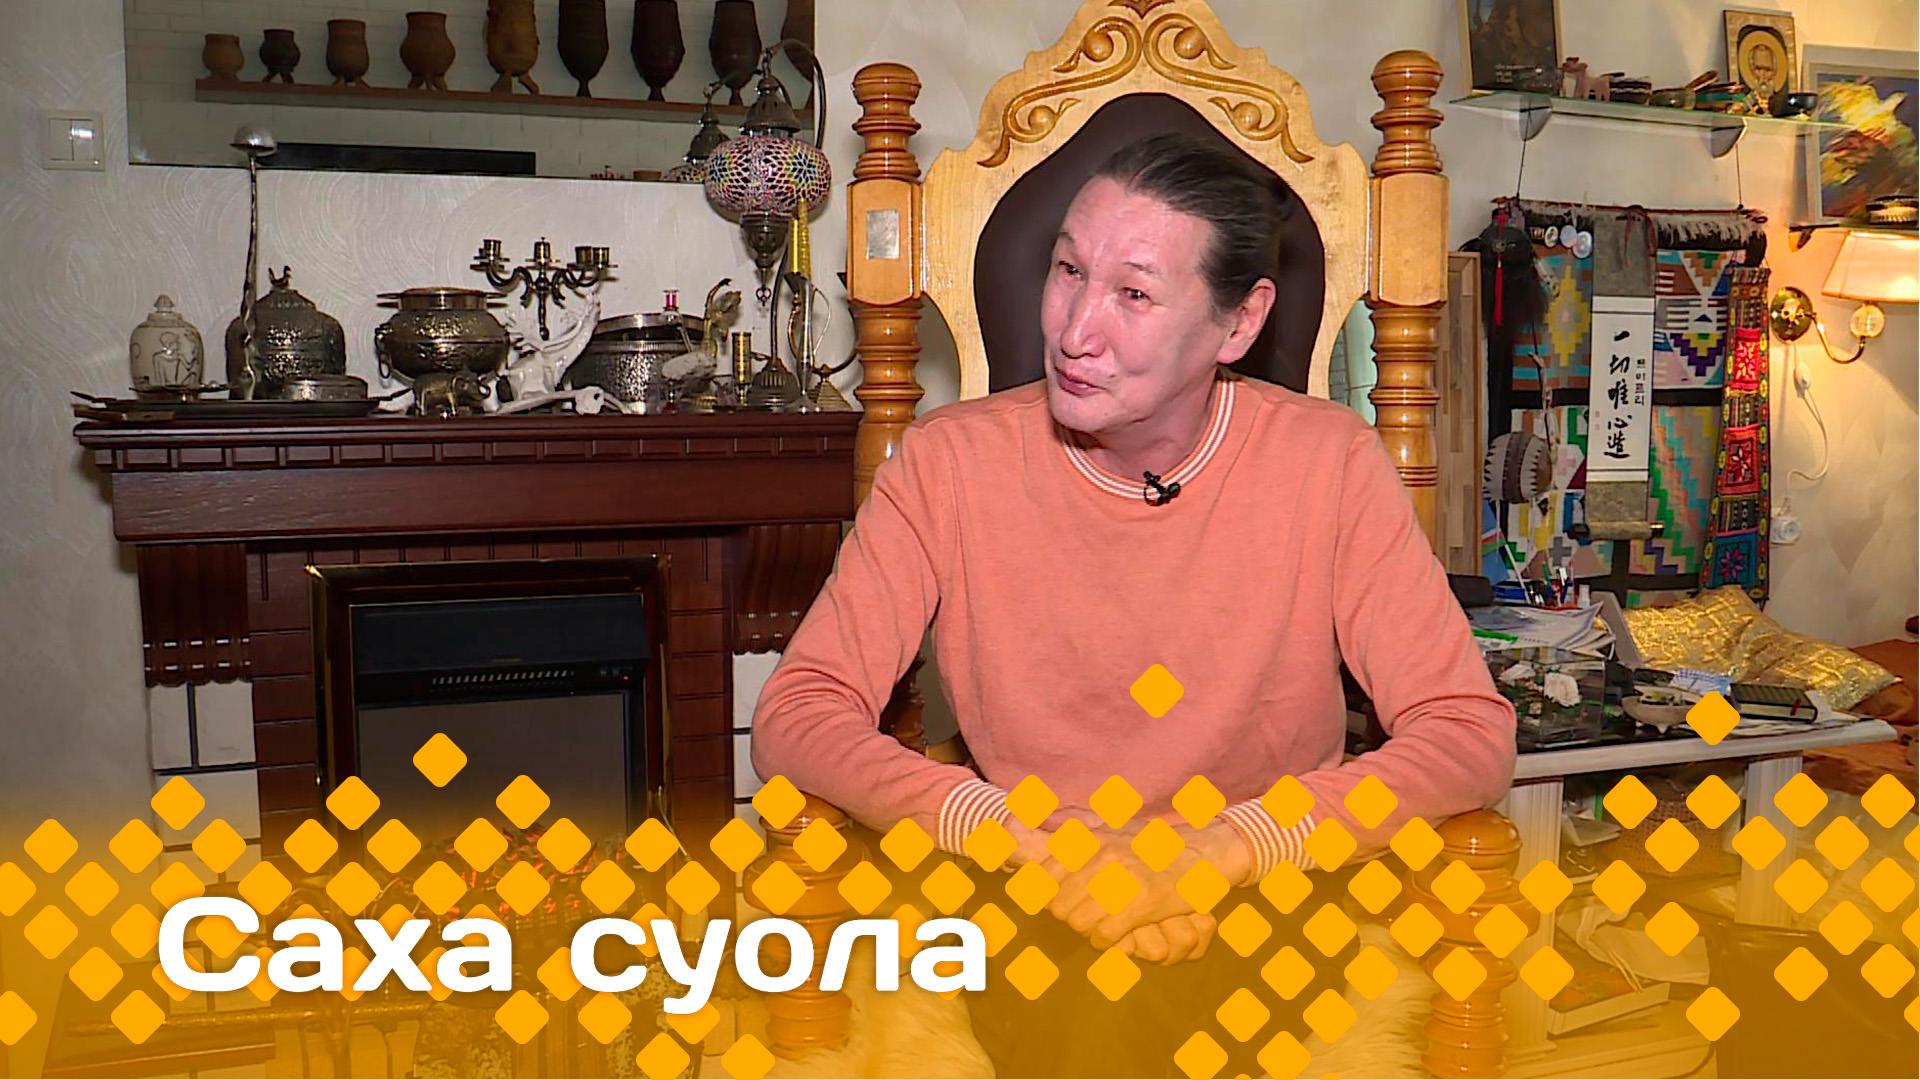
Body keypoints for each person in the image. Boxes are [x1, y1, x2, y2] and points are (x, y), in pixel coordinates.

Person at [751, 132, 1517, 1076]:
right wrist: (1010, 837)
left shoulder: (1328, 465)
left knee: (1123, 1023)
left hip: (1262, 885)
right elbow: (798, 714)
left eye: (1135, 294)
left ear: (1238, 324)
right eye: (1069, 270)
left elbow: (1467, 732)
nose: (1076, 331)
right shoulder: (950, 464)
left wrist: (1210, 857)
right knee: (1095, 1012)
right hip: (1028, 883)